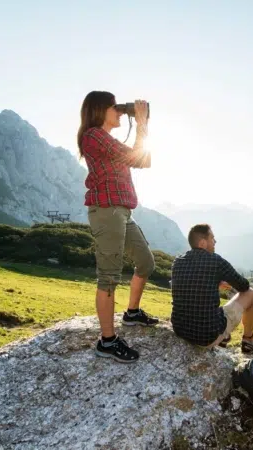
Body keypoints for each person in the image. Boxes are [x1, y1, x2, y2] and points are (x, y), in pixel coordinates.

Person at [77, 91, 159, 364]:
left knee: (146, 263)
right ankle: (107, 341)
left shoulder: (106, 139)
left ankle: (132, 313)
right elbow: (138, 158)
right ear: (99, 110)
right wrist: (143, 122)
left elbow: (143, 160)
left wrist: (140, 122)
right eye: (115, 107)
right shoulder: (93, 136)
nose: (120, 111)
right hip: (107, 211)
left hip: (122, 211)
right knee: (109, 277)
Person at [170, 224, 253, 353]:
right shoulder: (216, 261)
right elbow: (243, 286)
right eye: (212, 238)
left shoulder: (177, 262)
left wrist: (216, 281)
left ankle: (224, 338)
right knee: (252, 294)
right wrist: (223, 278)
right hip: (205, 338)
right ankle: (249, 341)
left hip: (180, 330)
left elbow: (192, 286)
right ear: (203, 243)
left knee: (210, 308)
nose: (215, 241)